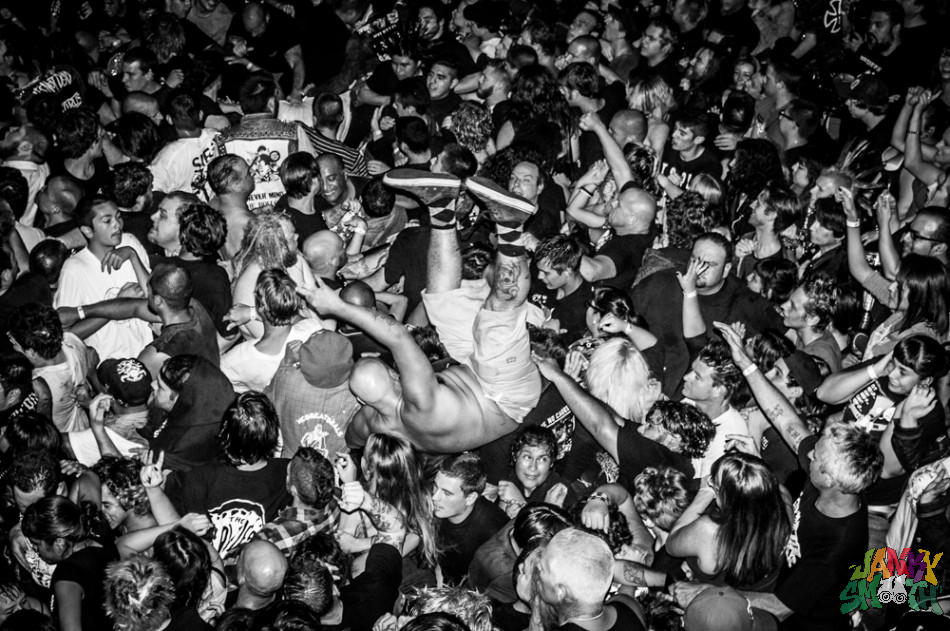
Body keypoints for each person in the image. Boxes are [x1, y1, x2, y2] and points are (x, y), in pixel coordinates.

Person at [300, 169, 544, 453]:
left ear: (364, 402)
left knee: (440, 300)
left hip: (467, 364)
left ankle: (442, 206)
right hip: (505, 396)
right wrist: (338, 307)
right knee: (498, 311)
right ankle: (511, 226)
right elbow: (398, 336)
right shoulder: (418, 401)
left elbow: (351, 439)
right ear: (393, 378)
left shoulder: (371, 422)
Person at [665, 453, 791, 592]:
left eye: (715, 485)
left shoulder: (709, 530)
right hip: (766, 583)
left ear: (731, 500)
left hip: (722, 595)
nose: (710, 482)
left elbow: (671, 544)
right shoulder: (783, 497)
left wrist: (704, 493)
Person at [53, 195, 152, 361]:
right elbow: (68, 335)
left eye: (118, 217)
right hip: (108, 362)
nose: (117, 225)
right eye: (107, 221)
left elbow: (155, 298)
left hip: (145, 354)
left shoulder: (129, 242)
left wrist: (132, 255)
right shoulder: (74, 269)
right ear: (87, 230)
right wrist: (118, 304)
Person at [21, 496, 117, 631]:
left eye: (37, 544)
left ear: (59, 543)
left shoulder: (67, 576)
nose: (35, 551)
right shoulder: (99, 533)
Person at [535, 528, 648, 630]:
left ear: (561, 592)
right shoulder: (629, 607)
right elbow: (626, 594)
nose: (537, 566)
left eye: (542, 569)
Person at [140, 354, 235, 472]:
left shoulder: (177, 449)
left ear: (179, 399)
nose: (152, 385)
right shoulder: (205, 399)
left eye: (160, 386)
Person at [6, 303, 93, 431]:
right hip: (81, 424)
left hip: (65, 435)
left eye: (14, 342)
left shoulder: (38, 387)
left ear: (31, 352)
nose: (13, 345)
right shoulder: (71, 341)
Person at [432, 453, 508, 585]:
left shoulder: (493, 531)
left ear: (470, 498)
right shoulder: (437, 505)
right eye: (435, 486)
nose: (434, 497)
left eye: (447, 493)